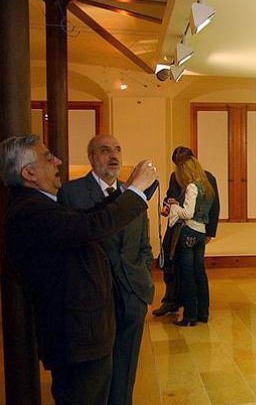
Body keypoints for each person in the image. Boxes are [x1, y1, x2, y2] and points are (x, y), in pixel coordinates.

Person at [0, 135, 157, 405]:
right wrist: (136, 192)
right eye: (48, 157)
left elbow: (86, 220)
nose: (57, 161)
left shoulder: (38, 205)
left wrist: (126, 192)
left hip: (88, 328)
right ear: (28, 172)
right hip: (76, 335)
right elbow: (91, 227)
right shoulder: (30, 211)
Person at [57, 135, 154, 405]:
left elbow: (143, 243)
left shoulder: (133, 192)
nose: (113, 156)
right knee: (97, 374)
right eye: (104, 150)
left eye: (117, 150)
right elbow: (78, 238)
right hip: (96, 299)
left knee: (126, 369)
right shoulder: (72, 193)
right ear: (91, 157)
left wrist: (144, 276)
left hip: (133, 294)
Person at [152, 147, 219, 317]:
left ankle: (194, 309)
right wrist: (168, 205)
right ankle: (172, 301)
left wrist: (210, 232)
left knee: (191, 271)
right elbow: (169, 196)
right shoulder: (175, 177)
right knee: (169, 262)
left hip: (191, 227)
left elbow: (214, 207)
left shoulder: (207, 178)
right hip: (176, 227)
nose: (179, 168)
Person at [166, 156, 215, 326]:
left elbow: (187, 214)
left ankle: (189, 316)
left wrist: (174, 207)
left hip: (188, 233)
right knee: (199, 274)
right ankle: (203, 313)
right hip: (201, 233)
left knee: (187, 276)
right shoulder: (207, 185)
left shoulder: (192, 186)